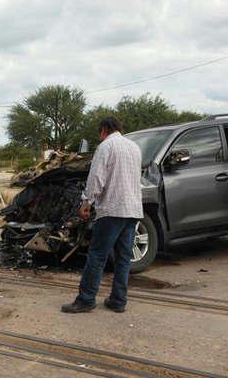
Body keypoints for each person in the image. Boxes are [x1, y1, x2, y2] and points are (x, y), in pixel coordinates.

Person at [62, 117, 143, 313]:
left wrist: (86, 202)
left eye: (100, 133)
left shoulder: (106, 146)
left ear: (104, 130)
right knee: (123, 257)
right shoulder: (134, 147)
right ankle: (118, 300)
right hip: (132, 210)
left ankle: (86, 299)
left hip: (112, 209)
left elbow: (96, 178)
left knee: (97, 255)